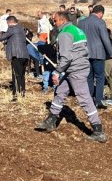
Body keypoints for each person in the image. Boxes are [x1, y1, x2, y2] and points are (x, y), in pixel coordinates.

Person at [35, 11, 107, 143]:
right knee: (60, 92)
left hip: (75, 70)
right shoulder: (77, 30)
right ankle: (51, 120)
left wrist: (57, 72)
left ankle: (98, 130)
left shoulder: (65, 34)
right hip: (74, 68)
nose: (54, 23)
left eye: (55, 21)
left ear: (62, 20)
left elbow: (66, 57)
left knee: (84, 98)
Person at [78, 5, 112, 108]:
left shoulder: (81, 22)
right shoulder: (100, 22)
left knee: (89, 77)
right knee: (100, 77)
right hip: (98, 54)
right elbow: (105, 39)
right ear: (101, 13)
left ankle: (89, 99)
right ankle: (98, 101)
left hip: (85, 53)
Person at [0, 15, 30, 100]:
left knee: (16, 75)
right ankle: (22, 93)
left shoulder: (12, 28)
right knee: (21, 75)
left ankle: (16, 96)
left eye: (7, 23)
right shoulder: (21, 28)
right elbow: (10, 39)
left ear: (10, 22)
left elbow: (2, 37)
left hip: (16, 55)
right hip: (24, 55)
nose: (7, 25)